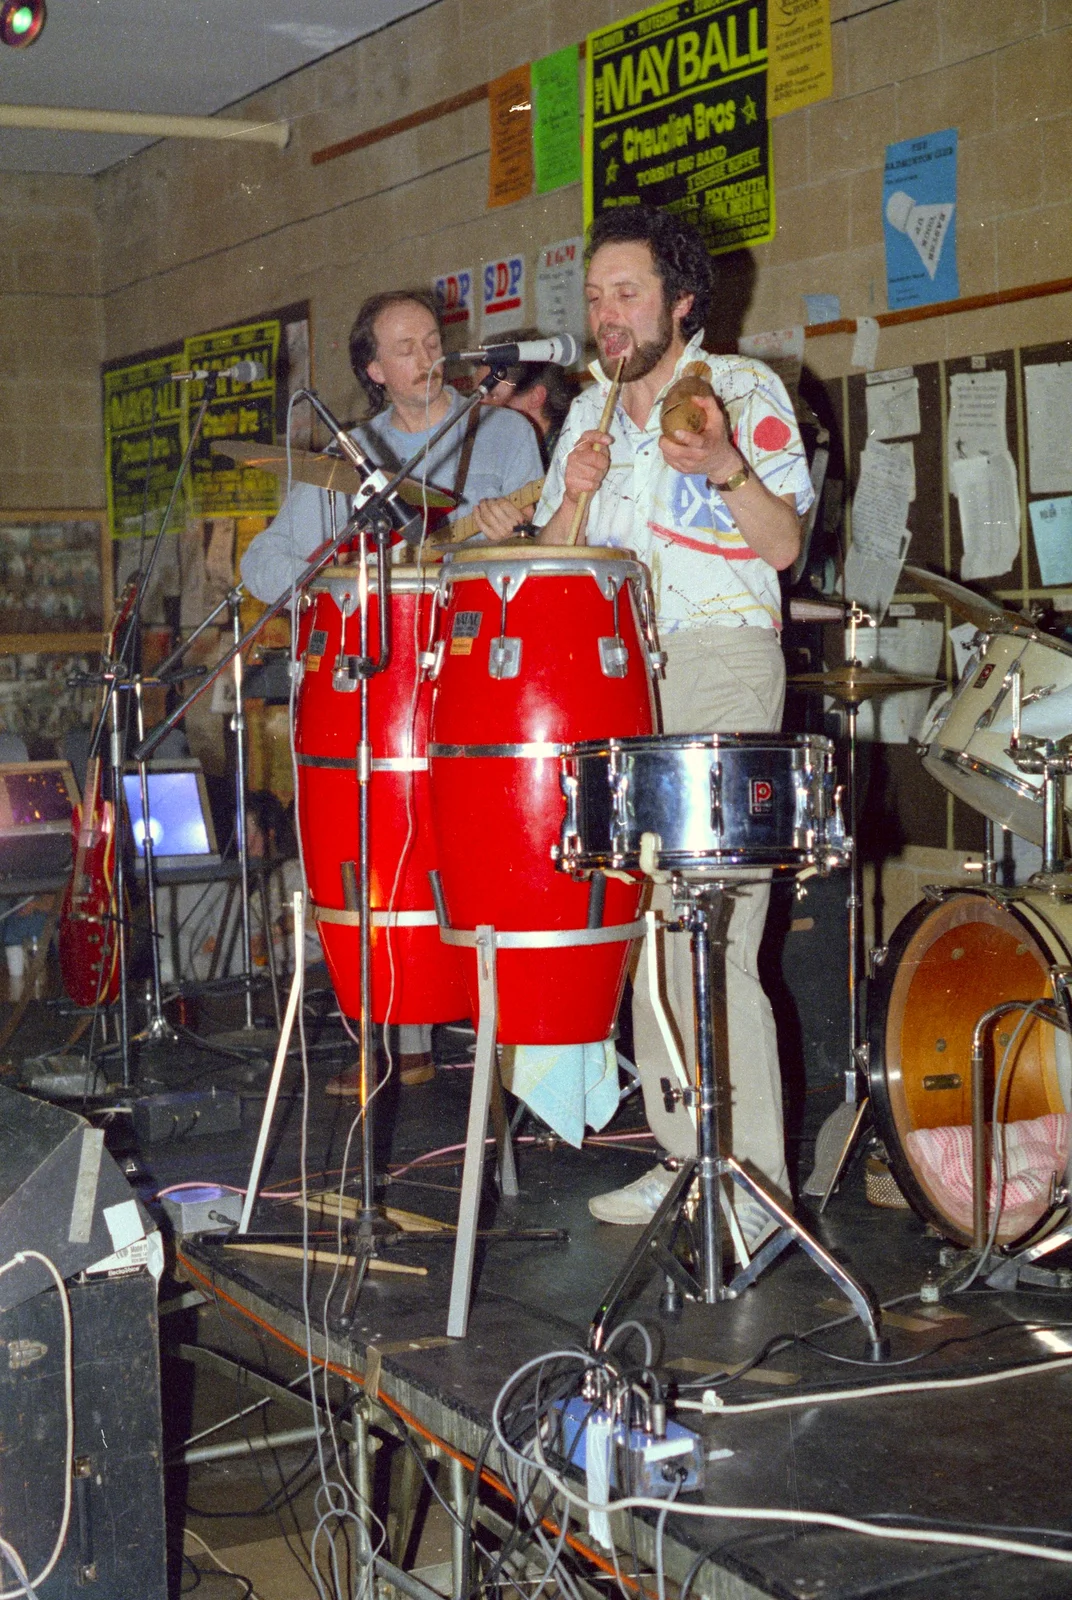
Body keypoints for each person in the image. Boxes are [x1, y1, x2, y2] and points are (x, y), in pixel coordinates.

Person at [485, 205, 814, 1239]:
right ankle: (683, 1159)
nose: (606, 314)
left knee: (711, 927)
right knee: (643, 928)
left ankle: (753, 1179)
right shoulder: (584, 414)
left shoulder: (743, 392)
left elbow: (786, 545)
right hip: (614, 677)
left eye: (625, 294)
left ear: (679, 302)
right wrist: (565, 500)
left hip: (717, 663)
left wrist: (722, 466)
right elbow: (553, 557)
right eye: (593, 298)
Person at [242, 289, 544, 1090]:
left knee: (475, 840)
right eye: (405, 347)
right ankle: (392, 1036)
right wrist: (327, 574)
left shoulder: (507, 434)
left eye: (432, 339)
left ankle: (506, 1042)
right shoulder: (347, 456)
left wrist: (499, 535)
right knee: (381, 841)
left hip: (477, 669)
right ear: (374, 370)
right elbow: (262, 563)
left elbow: (545, 542)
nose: (427, 355)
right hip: (385, 669)